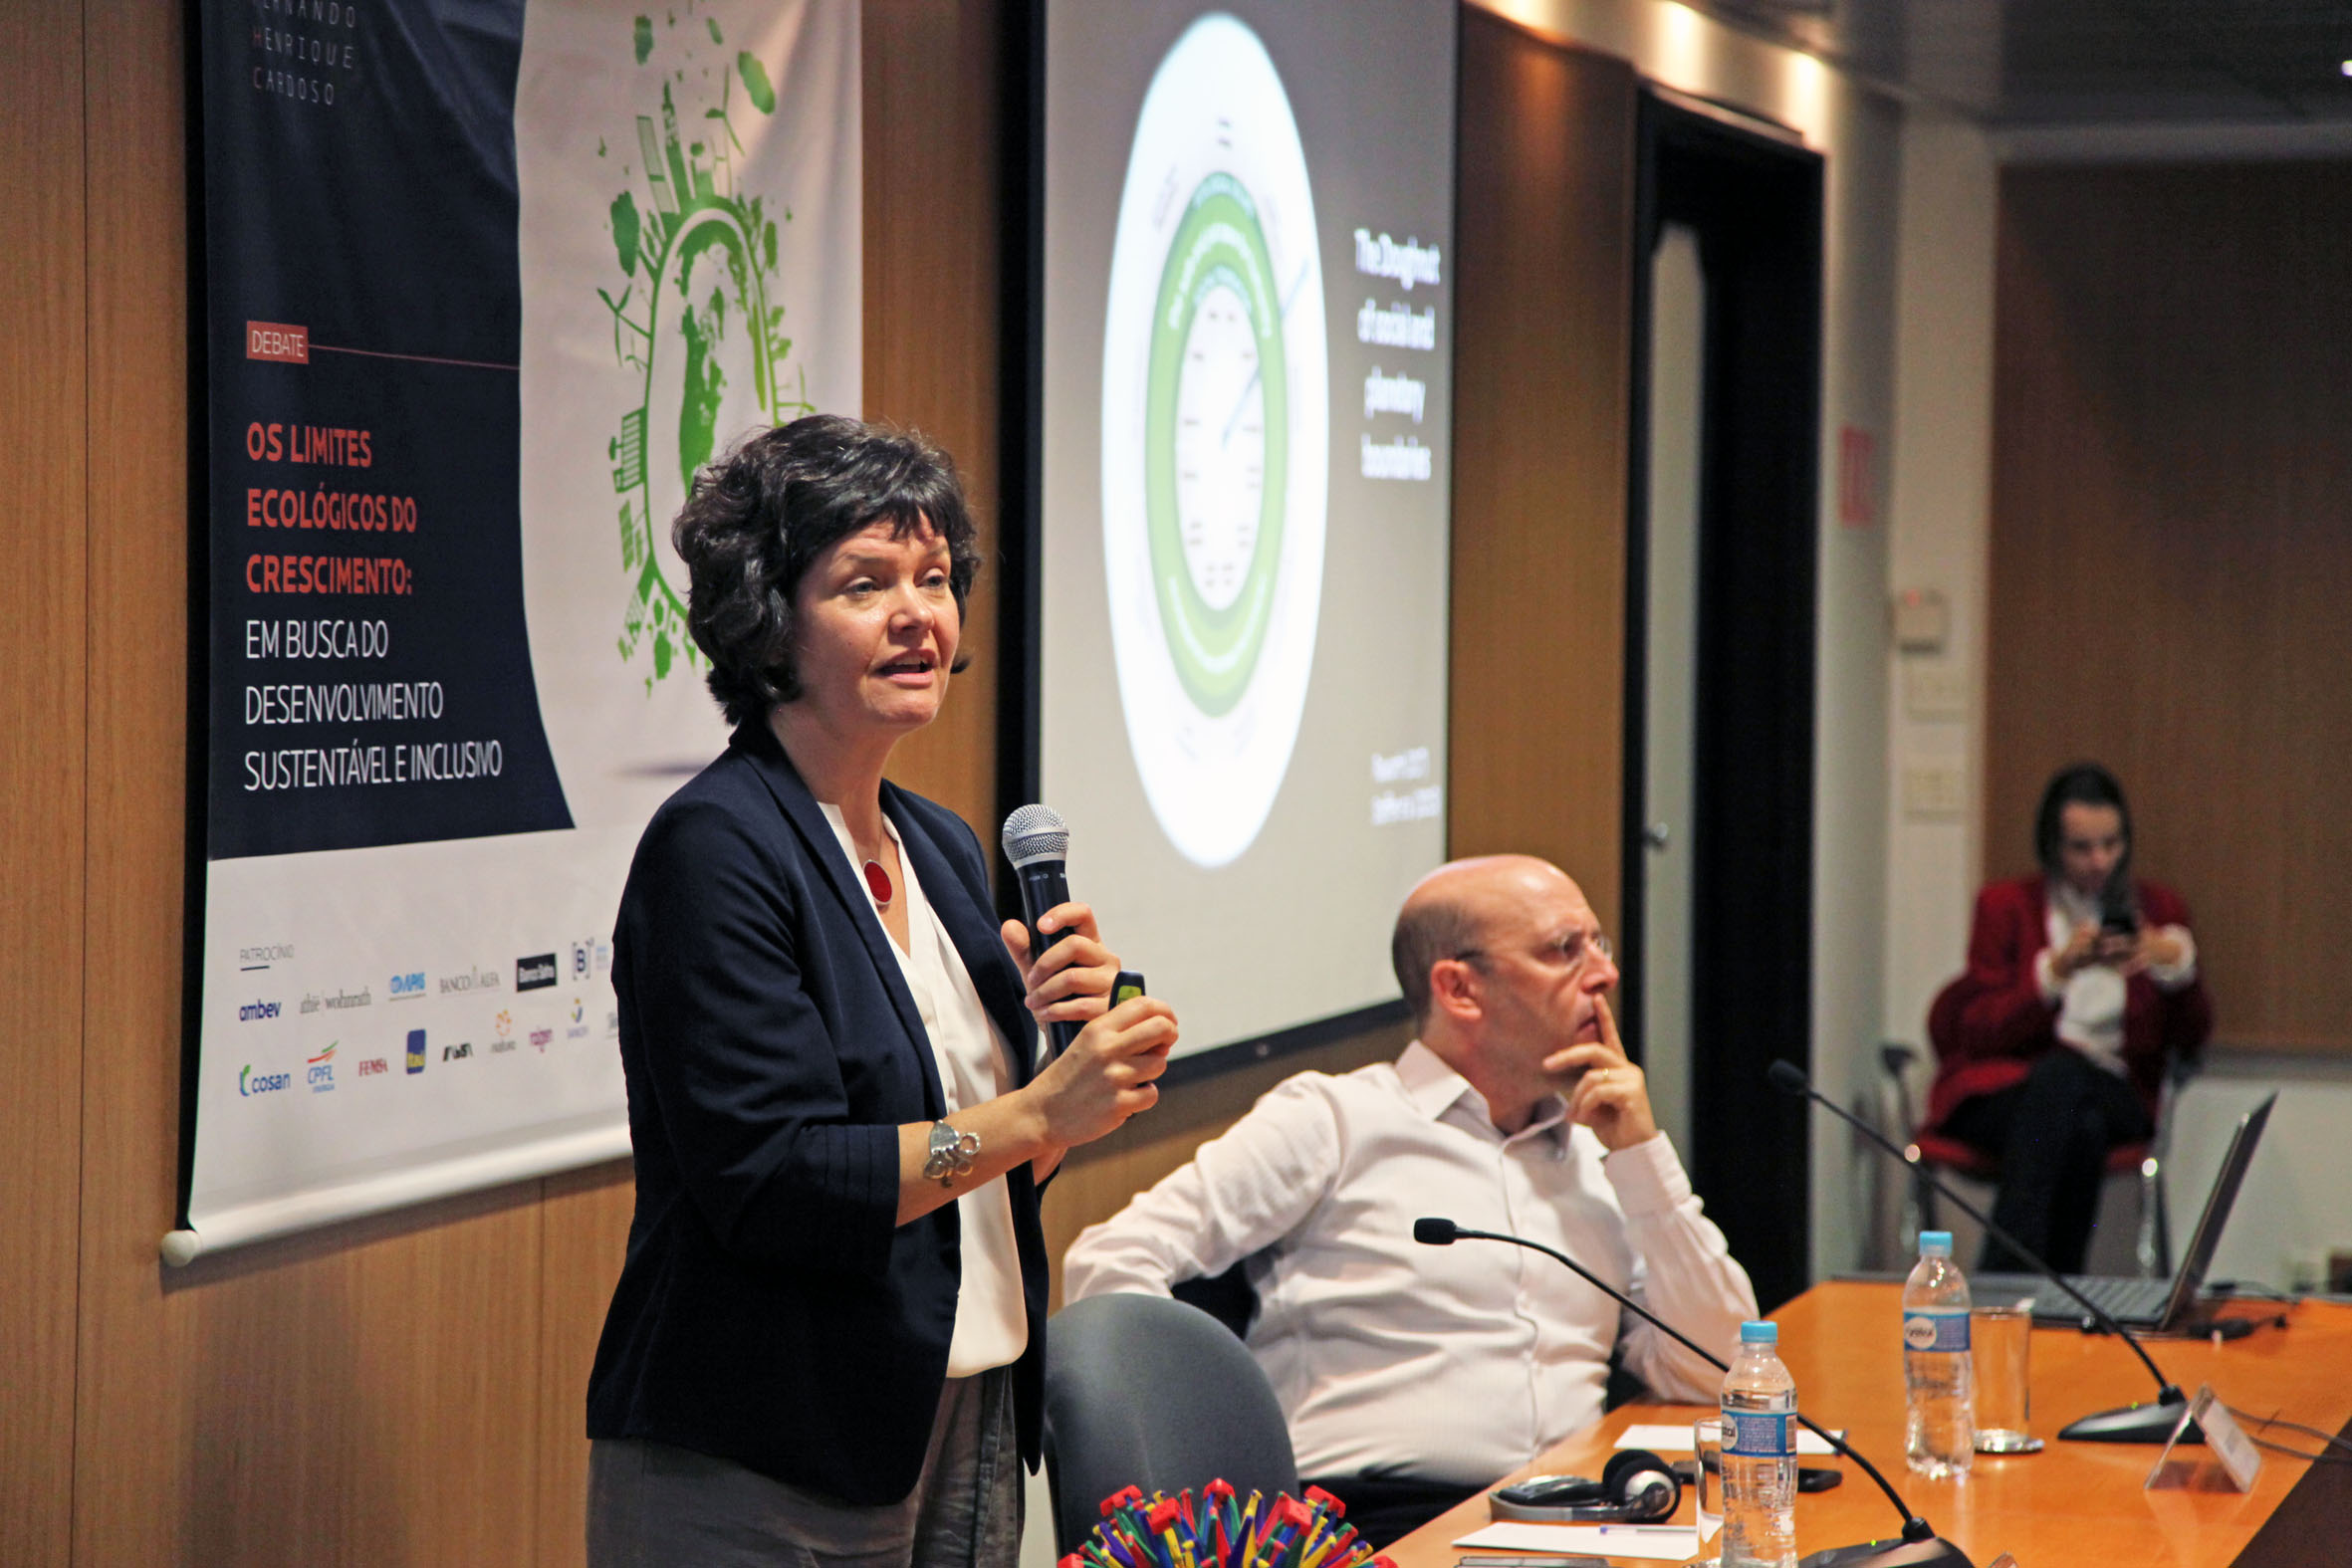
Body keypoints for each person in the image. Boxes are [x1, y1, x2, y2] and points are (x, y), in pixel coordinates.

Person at [584, 415, 1180, 1567]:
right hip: (768, 1438)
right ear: (769, 620)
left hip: (961, 1407)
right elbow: (778, 1179)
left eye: (935, 578)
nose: (919, 614)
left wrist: (1080, 1078)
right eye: (866, 584)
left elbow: (980, 1168)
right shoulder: (716, 849)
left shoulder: (939, 845)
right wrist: (1035, 1112)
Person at [1062, 854, 1756, 1545]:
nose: (1604, 973)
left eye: (1598, 943)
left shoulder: (1595, 1149)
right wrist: (1206, 1461)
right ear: (1459, 989)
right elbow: (1110, 1258)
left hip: (1576, 1514)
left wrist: (1640, 1153)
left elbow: (1723, 1370)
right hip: (1377, 1523)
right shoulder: (1335, 1121)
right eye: (1563, 949)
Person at [1923, 763, 2211, 1274]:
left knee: (2069, 1083)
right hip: (2011, 1088)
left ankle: (2003, 1279)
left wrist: (2175, 967)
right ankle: (2057, 1293)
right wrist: (2055, 972)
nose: (2100, 861)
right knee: (2079, 1122)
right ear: (2052, 846)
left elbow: (2192, 1039)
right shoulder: (2006, 906)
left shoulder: (2159, 910)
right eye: (2082, 847)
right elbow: (1978, 1031)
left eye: (2112, 844)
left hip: (2117, 1089)